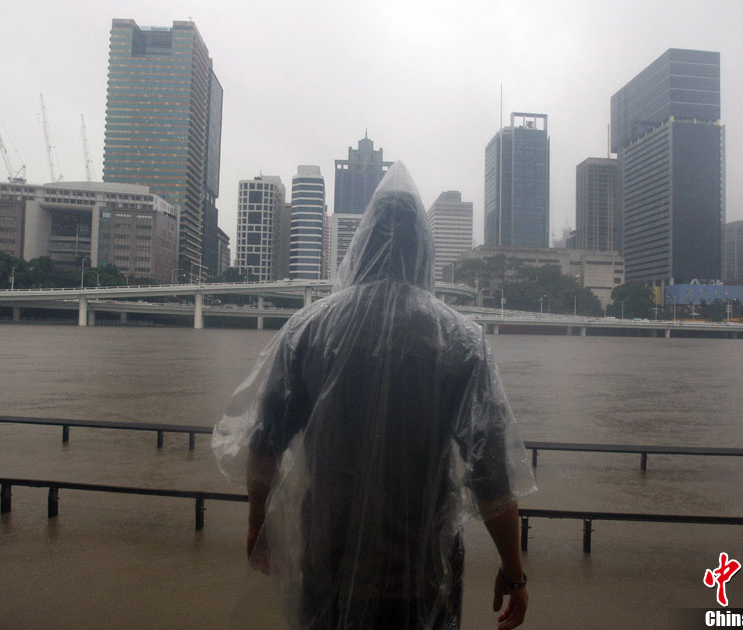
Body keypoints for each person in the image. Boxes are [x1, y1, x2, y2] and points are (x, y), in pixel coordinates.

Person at [213, 163, 536, 629]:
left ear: (359, 246)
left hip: (329, 561)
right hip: (422, 570)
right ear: (424, 251)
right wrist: (514, 571)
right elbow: (492, 477)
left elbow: (264, 445)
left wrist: (257, 527)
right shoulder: (460, 342)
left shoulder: (308, 331)